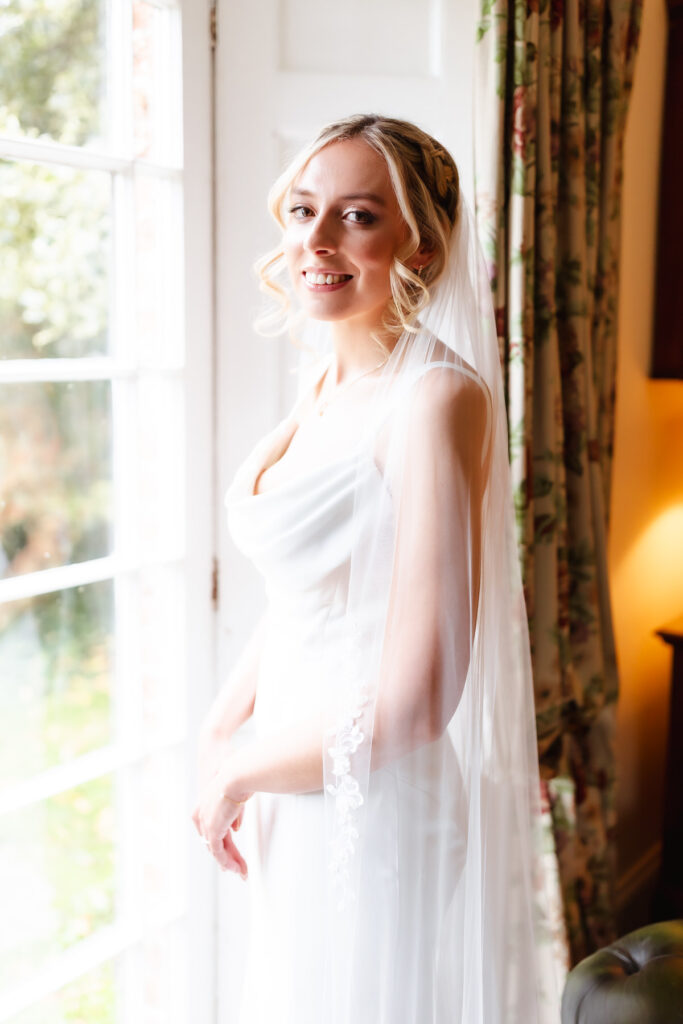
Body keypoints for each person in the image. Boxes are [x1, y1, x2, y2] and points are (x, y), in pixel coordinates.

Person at [192, 114, 561, 1023]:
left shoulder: (435, 399)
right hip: (294, 777)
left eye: (356, 216)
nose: (316, 240)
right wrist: (219, 732)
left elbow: (417, 703)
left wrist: (240, 773)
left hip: (373, 802)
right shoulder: (325, 384)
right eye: (303, 210)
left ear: (420, 247)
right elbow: (308, 596)